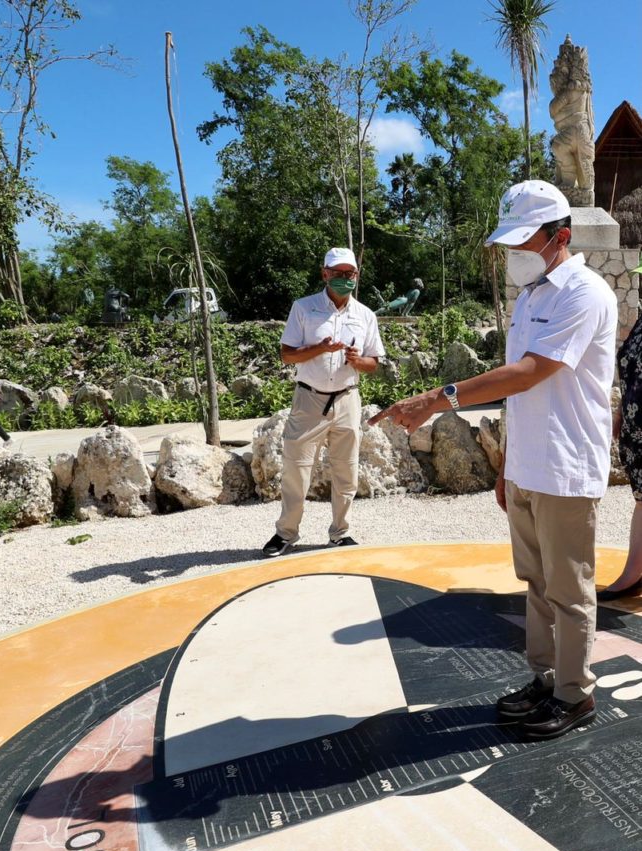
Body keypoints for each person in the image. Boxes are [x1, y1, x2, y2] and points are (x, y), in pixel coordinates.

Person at [369, 180, 617, 740]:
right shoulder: (530, 298)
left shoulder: (585, 292)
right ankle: (547, 679)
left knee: (570, 590)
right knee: (534, 582)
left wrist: (439, 398)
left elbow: (532, 372)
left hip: (566, 468)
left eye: (523, 242)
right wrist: (506, 466)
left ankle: (575, 695)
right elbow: (518, 397)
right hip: (529, 465)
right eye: (509, 244)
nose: (514, 254)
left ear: (561, 236)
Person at [261, 247, 384, 558]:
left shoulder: (365, 315)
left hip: (346, 399)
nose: (345, 278)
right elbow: (287, 354)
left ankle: (341, 533)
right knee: (295, 470)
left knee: (347, 470)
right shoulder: (303, 308)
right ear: (324, 273)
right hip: (308, 399)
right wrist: (317, 349)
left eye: (350, 273)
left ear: (357, 275)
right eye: (338, 273)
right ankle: (286, 533)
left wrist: (359, 361)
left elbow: (375, 362)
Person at [601, 274, 642, 598]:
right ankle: (634, 574)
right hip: (636, 430)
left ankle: (633, 574)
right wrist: (619, 413)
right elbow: (630, 373)